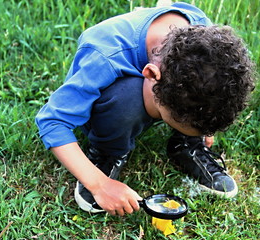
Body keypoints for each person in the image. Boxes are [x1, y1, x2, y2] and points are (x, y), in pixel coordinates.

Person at [35, 1, 255, 216]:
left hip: (165, 90)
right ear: (152, 75)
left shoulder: (203, 34)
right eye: (174, 120)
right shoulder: (103, 55)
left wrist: (204, 127)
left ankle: (186, 143)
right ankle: (108, 151)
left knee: (205, 89)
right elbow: (52, 121)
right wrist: (99, 183)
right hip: (108, 103)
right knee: (128, 98)